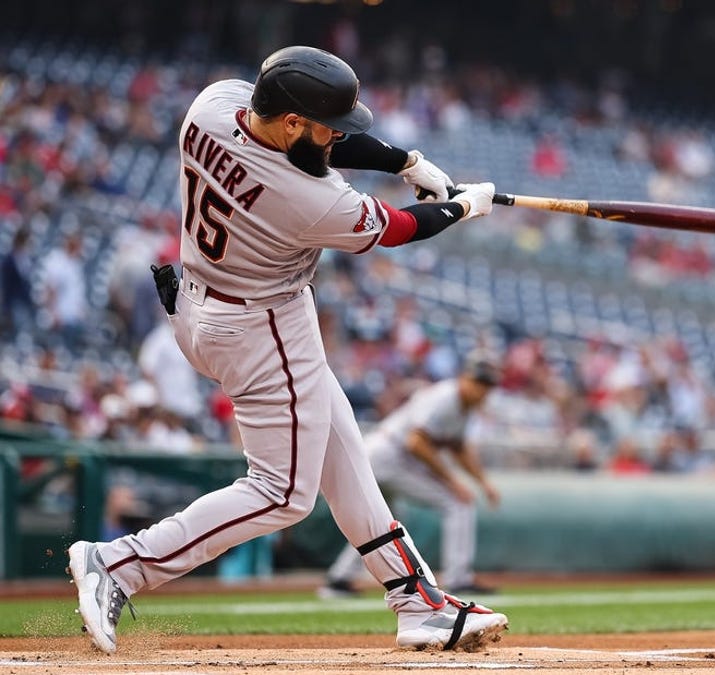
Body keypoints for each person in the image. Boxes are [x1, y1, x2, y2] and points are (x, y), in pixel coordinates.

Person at [66, 45, 506, 654]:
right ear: (293, 122)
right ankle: (120, 564)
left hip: (203, 305)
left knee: (342, 447)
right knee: (282, 492)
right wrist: (460, 206)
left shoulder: (214, 104)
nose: (336, 137)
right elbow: (401, 228)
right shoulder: (307, 200)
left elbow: (314, 144)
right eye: (326, 125)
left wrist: (407, 161)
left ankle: (416, 600)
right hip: (260, 326)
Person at [320, 353, 503, 598]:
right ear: (465, 378)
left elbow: (458, 449)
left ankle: (339, 579)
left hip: (385, 456)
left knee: (383, 523)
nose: (482, 390)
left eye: (487, 386)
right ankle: (458, 578)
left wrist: (483, 482)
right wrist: (452, 482)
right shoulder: (445, 397)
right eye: (479, 383)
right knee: (458, 502)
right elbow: (416, 442)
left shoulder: (464, 408)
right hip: (390, 455)